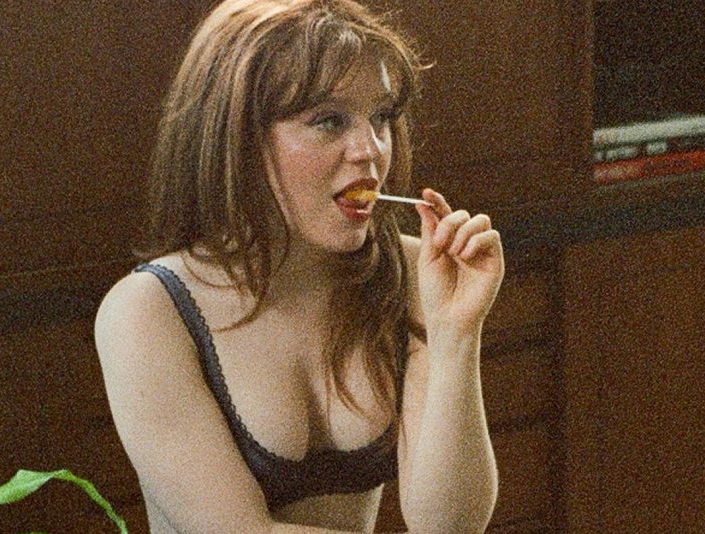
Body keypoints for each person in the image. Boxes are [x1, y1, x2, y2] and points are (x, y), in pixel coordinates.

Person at [94, 0, 503, 532]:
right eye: (328, 121)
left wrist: (456, 336)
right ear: (238, 136)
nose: (370, 151)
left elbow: (449, 526)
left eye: (380, 117)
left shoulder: (410, 272)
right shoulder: (148, 312)